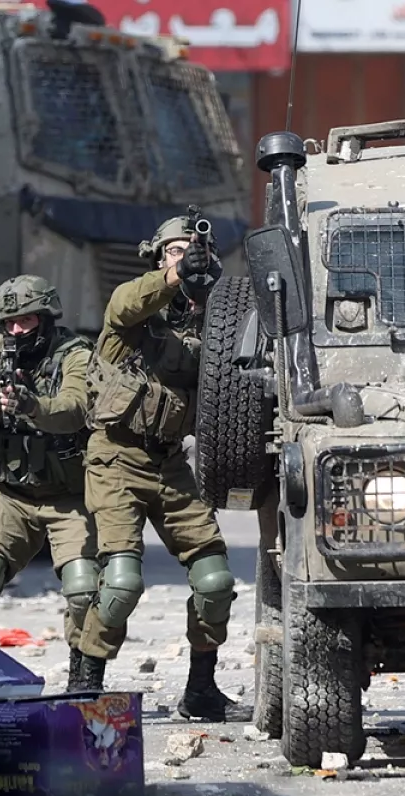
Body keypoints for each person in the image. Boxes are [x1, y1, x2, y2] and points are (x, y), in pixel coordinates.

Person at [73, 216, 247, 721]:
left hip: (170, 461)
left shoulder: (214, 322)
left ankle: (201, 690)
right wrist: (175, 277)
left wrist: (215, 298)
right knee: (121, 582)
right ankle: (84, 685)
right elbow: (124, 305)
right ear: (158, 257)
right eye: (175, 250)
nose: (187, 256)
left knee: (215, 580)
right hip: (116, 455)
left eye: (196, 250)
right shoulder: (134, 309)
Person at [0, 275, 119, 691]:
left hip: (70, 497)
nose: (16, 330)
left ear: (45, 318)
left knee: (84, 591)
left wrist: (32, 405)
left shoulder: (75, 354)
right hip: (7, 495)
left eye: (25, 320)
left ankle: (84, 679)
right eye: (8, 323)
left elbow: (74, 410)